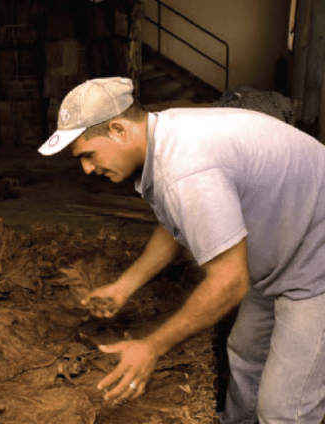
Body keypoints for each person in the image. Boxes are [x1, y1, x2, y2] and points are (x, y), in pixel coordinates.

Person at [39, 77, 325, 424]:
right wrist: (125, 286)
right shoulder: (165, 133)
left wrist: (152, 347)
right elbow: (179, 222)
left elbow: (229, 283)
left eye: (88, 154)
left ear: (117, 129)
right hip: (287, 247)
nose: (86, 168)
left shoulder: (187, 169)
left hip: (314, 265)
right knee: (245, 353)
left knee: (284, 409)